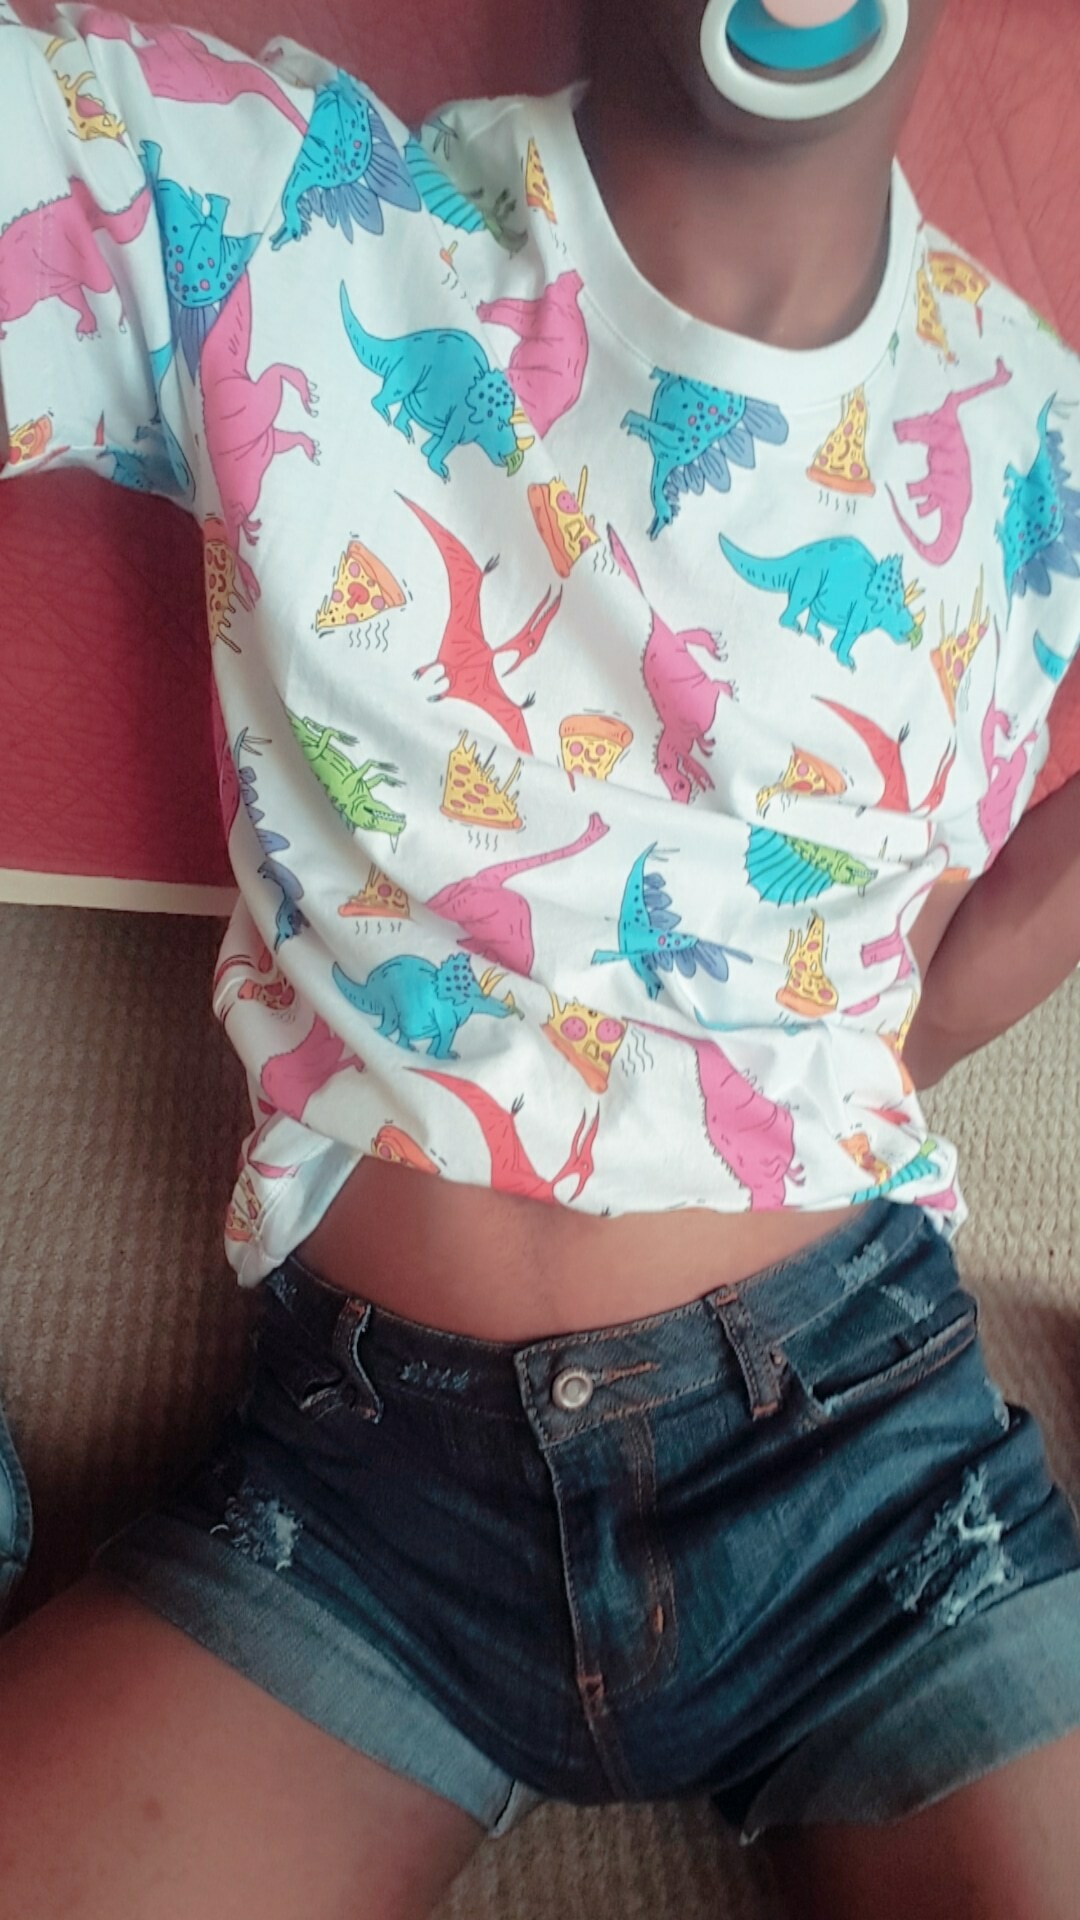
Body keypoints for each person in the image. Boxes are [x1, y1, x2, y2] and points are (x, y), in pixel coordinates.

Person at [0, 0, 1078, 1911]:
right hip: (367, 1505)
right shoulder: (281, 210)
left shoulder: (1029, 437)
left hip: (869, 1471)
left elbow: (931, 970)